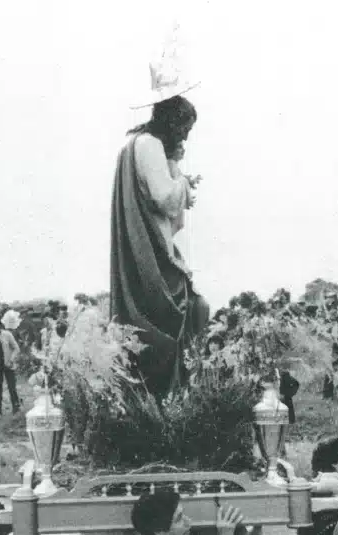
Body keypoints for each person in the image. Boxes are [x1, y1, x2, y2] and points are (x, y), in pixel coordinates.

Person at [111, 88, 209, 399]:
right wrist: (182, 181)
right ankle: (174, 398)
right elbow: (165, 198)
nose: (186, 136)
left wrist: (175, 168)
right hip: (153, 255)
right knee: (190, 310)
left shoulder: (137, 144)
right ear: (172, 122)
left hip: (144, 249)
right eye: (185, 128)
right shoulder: (150, 145)